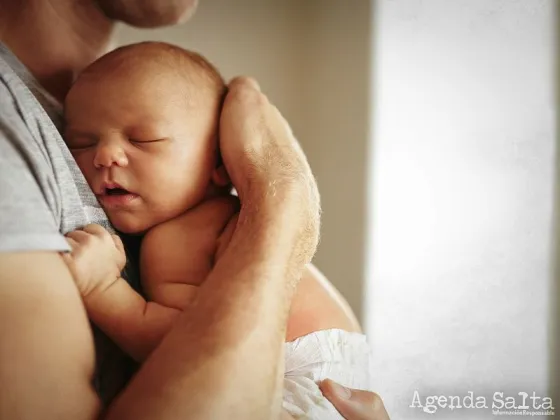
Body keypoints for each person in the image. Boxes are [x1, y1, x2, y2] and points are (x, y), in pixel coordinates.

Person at [0, 1, 390, 419]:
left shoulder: (182, 235)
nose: (106, 155)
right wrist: (282, 204)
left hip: (300, 383)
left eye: (145, 141)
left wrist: (103, 291)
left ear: (218, 161)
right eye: (80, 142)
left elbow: (177, 344)